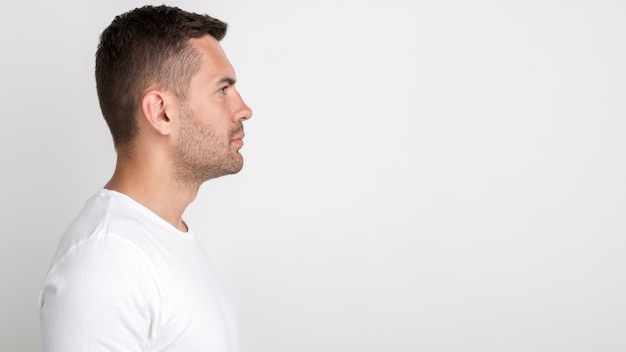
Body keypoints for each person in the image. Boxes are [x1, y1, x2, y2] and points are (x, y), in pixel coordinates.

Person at [38, 5, 252, 351]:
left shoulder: (160, 238)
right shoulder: (107, 260)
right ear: (161, 112)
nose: (244, 109)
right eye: (223, 89)